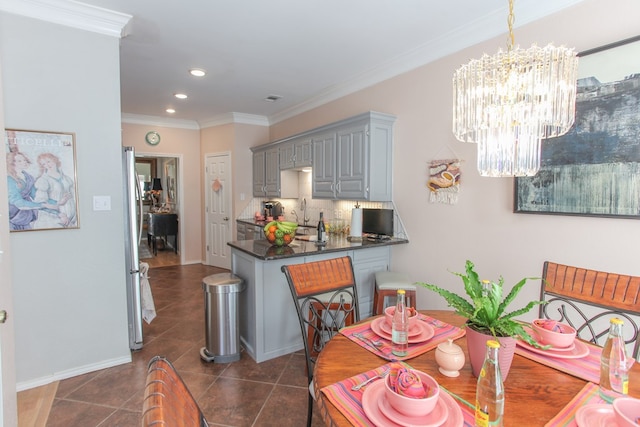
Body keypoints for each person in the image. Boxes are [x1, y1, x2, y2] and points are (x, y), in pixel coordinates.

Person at [6, 152, 57, 230]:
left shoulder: (29, 177)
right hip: (13, 216)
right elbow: (18, 203)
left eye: (24, 160)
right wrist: (43, 205)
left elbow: (37, 196)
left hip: (26, 216)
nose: (24, 162)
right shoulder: (9, 179)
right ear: (11, 164)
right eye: (19, 161)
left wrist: (56, 204)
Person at [33, 152, 77, 228]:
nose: (47, 165)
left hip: (70, 221)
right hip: (52, 221)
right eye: (44, 164)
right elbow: (41, 204)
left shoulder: (67, 179)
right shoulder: (43, 180)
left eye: (48, 161)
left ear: (55, 160)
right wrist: (59, 214)